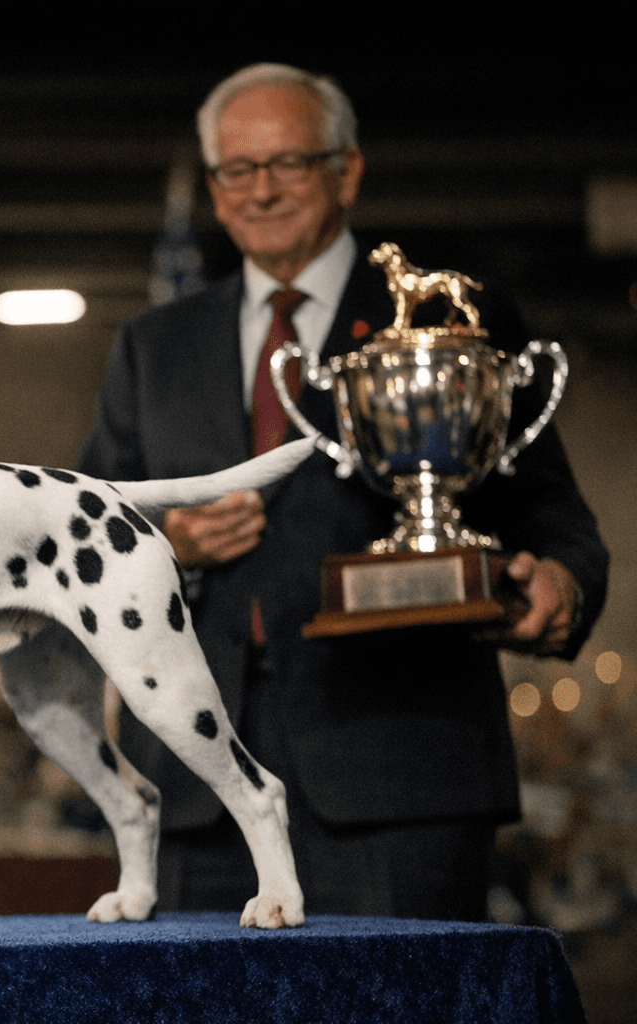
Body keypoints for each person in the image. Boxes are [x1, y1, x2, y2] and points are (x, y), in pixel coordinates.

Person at [76, 63, 608, 920]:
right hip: (191, 791)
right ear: (214, 191)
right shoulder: (151, 346)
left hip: (403, 784)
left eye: (288, 162)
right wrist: (173, 540)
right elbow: (87, 530)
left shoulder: (447, 320)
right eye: (237, 170)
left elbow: (552, 516)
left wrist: (564, 583)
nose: (262, 190)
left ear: (345, 172)